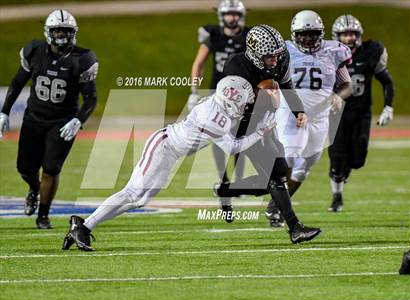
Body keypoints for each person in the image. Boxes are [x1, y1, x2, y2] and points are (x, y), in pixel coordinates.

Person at [62, 76, 276, 251]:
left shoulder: (218, 106)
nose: (245, 107)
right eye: (243, 103)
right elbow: (233, 147)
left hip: (172, 152)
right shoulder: (215, 117)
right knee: (132, 192)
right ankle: (84, 226)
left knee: (140, 200)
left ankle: (84, 225)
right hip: (163, 146)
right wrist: (261, 132)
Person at [215, 24, 322, 242]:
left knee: (277, 174)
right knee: (276, 175)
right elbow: (231, 108)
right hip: (239, 123)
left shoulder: (280, 59)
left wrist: (298, 111)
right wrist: (261, 94)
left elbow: (286, 85)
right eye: (269, 57)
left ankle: (226, 190)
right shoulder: (236, 67)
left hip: (263, 121)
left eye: (277, 55)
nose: (274, 60)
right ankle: (295, 227)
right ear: (255, 54)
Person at [0, 9, 98, 229]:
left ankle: (43, 215)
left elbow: (91, 98)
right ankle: (34, 189)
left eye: (66, 30)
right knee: (25, 168)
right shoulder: (34, 51)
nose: (62, 35)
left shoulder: (83, 59)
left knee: (51, 168)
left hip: (62, 122)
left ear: (74, 33)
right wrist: (4, 111)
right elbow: (17, 83)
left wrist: (78, 120)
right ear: (48, 32)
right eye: (58, 30)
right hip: (33, 118)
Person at [266, 10, 353, 226]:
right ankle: (283, 209)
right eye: (303, 34)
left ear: (321, 33)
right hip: (291, 112)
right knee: (290, 155)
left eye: (313, 34)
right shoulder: (283, 51)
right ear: (294, 34)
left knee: (305, 167)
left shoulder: (334, 51)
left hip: (319, 116)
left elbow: (347, 85)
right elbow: (267, 75)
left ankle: (275, 206)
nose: (308, 38)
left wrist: (338, 96)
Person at [327, 14, 395, 212]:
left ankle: (344, 173)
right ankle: (337, 196)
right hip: (336, 115)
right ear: (336, 36)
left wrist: (388, 107)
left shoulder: (371, 51)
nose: (349, 38)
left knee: (357, 160)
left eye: (352, 34)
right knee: (337, 158)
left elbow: (387, 81)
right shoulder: (328, 56)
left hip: (361, 114)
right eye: (345, 34)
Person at [187, 0, 249, 184]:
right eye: (229, 14)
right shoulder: (213, 35)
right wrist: (194, 90)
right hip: (218, 93)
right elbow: (199, 63)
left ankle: (239, 180)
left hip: (242, 93)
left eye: (235, 14)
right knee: (218, 135)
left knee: (241, 137)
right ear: (221, 16)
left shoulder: (249, 36)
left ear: (241, 15)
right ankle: (224, 179)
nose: (232, 17)